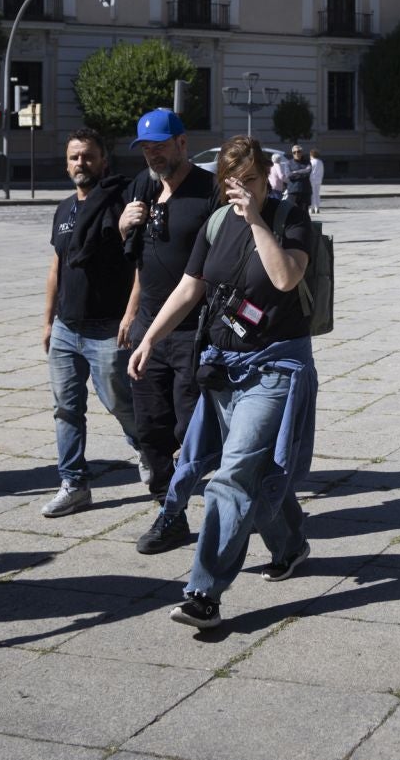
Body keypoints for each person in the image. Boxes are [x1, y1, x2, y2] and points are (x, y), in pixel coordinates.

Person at [129, 135, 317, 633]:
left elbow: (284, 280)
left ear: (266, 179)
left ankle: (203, 593)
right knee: (256, 475)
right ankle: (291, 544)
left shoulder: (288, 216)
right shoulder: (215, 224)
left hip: (275, 368)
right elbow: (191, 287)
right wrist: (149, 339)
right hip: (222, 367)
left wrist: (256, 219)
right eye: (234, 182)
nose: (243, 190)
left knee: (231, 476)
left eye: (252, 180)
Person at [116, 109, 221, 551]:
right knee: (149, 427)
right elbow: (142, 262)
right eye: (145, 147)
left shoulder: (209, 191)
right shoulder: (144, 187)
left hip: (194, 331)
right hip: (147, 329)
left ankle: (228, 494)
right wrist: (130, 314)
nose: (152, 153)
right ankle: (168, 510)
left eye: (160, 144)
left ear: (183, 142)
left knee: (189, 428)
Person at [40, 127, 144, 517]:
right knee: (65, 409)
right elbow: (57, 267)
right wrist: (48, 321)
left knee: (121, 404)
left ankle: (148, 453)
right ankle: (74, 483)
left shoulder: (121, 203)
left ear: (103, 160)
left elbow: (139, 266)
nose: (80, 163)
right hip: (67, 328)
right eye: (73, 157)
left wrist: (132, 314)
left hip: (108, 328)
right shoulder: (64, 208)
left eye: (87, 156)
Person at [281, 145, 317, 213]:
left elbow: (308, 171)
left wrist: (295, 172)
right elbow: (289, 175)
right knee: (292, 212)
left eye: (298, 151)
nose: (296, 153)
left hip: (305, 191)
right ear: (292, 153)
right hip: (293, 191)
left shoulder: (307, 162)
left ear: (301, 152)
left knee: (304, 213)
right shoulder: (288, 163)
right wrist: (302, 172)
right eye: (294, 152)